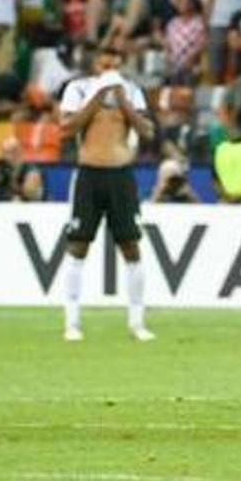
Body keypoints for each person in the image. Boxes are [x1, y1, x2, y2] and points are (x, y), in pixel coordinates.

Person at [57, 45, 156, 342]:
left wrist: (122, 98)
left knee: (131, 246)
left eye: (115, 58)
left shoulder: (133, 91)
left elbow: (146, 130)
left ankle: (137, 322)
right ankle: (72, 322)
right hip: (89, 174)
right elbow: (66, 128)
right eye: (104, 57)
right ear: (95, 61)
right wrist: (98, 95)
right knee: (78, 245)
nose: (109, 63)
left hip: (121, 175)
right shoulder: (78, 88)